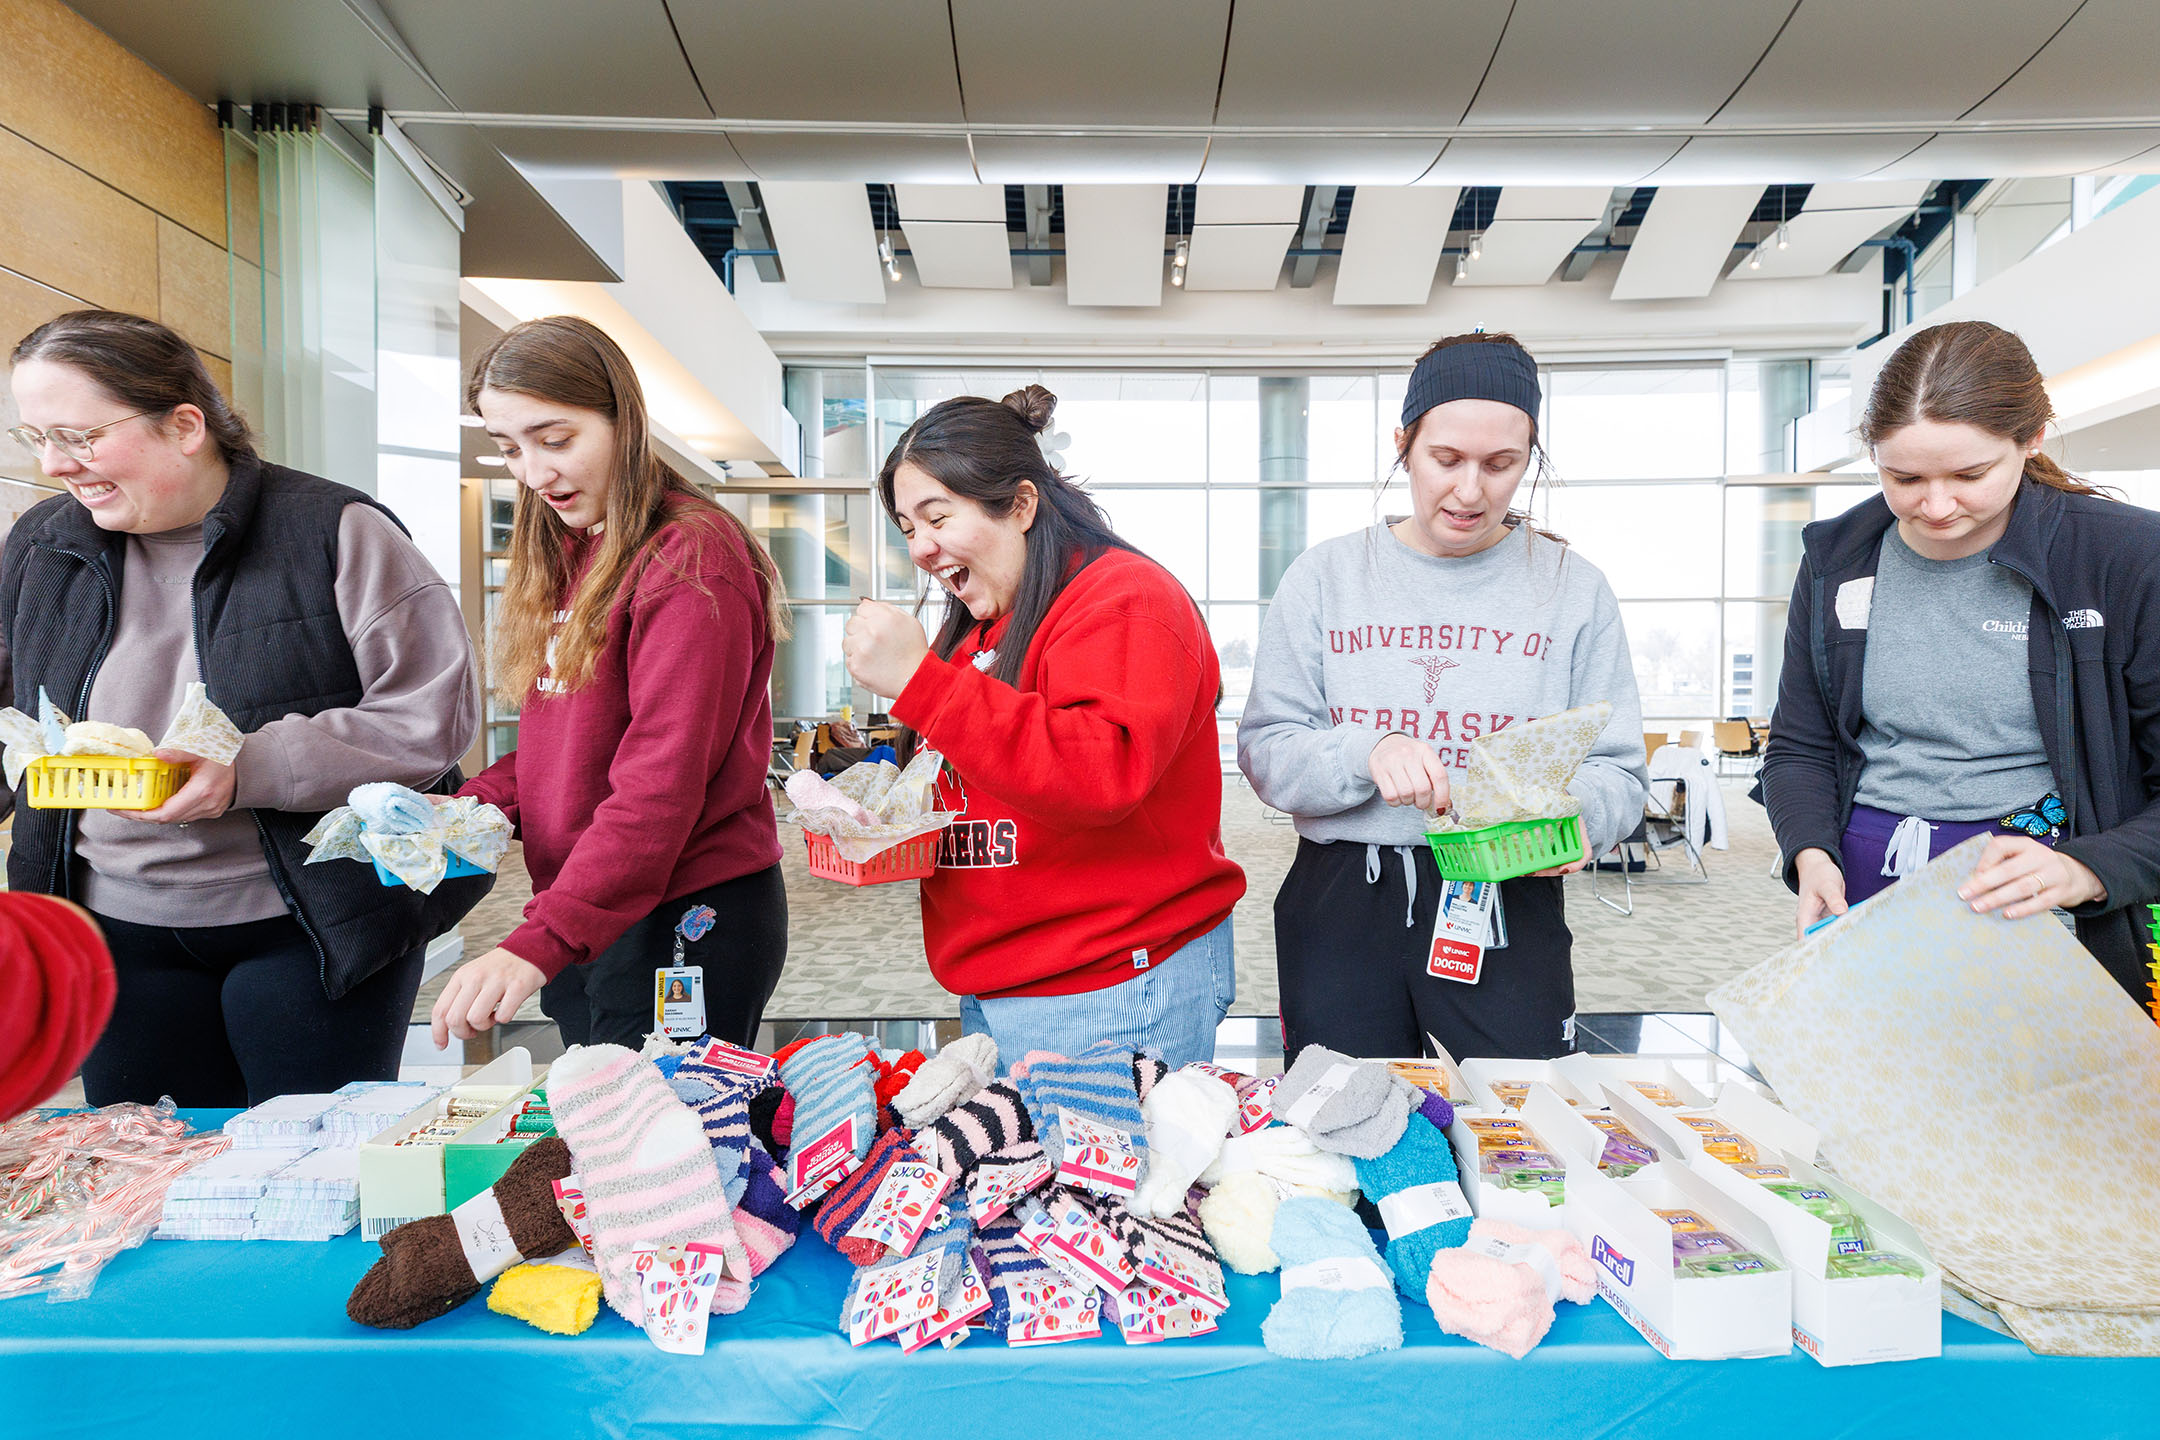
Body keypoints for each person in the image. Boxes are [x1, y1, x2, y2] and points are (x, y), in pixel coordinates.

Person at [2, 309, 486, 1107]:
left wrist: (247, 767)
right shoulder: (41, 544)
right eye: (37, 438)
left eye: (79, 437)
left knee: (311, 1181)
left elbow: (429, 717)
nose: (56, 465)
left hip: (314, 923)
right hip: (111, 930)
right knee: (151, 1181)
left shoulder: (334, 530)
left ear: (185, 424)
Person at [1238, 333, 1648, 1063]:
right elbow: (1267, 755)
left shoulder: (1572, 587)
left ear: (1531, 457)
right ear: (1403, 445)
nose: (1470, 491)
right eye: (1446, 459)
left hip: (1505, 895)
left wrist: (1576, 817)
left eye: (1501, 465)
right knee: (1342, 1129)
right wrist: (1369, 750)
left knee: (1516, 1132)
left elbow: (1619, 773)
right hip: (1344, 897)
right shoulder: (1325, 577)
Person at [840, 386, 1245, 1070]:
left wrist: (920, 682)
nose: (920, 548)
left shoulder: (1126, 598)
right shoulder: (979, 627)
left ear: (1021, 505)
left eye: (937, 517)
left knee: (1104, 1179)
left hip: (1113, 976)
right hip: (998, 978)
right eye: (908, 527)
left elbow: (1100, 771)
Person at [1762, 320, 2160, 1003]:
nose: (1935, 506)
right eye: (1904, 477)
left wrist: (2088, 870)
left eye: (1970, 475)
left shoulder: (2125, 558)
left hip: (2041, 901)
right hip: (1867, 898)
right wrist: (1811, 851)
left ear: (2031, 439)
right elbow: (1802, 743)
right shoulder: (1839, 559)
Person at [429, 316, 791, 1051]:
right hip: (592, 905)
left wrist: (543, 938)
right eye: (509, 449)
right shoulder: (578, 546)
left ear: (623, 420)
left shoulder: (691, 556)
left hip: (683, 910)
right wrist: (463, 810)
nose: (533, 473)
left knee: (666, 1154)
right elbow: (568, 744)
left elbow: (660, 779)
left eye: (554, 440)